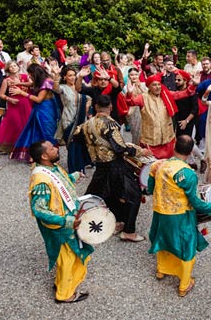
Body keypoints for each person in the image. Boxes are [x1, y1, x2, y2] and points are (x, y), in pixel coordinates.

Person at [146, 135, 211, 297]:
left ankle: (161, 270)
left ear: (174, 147)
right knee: (187, 246)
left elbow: (149, 190)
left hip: (160, 213)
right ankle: (184, 285)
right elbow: (195, 202)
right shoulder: (188, 174)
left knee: (162, 239)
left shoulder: (158, 165)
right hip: (179, 216)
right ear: (190, 152)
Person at [77, 95, 152, 242]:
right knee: (134, 196)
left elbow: (75, 137)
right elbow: (119, 148)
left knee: (108, 194)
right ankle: (129, 231)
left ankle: (117, 223)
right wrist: (139, 151)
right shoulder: (110, 124)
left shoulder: (87, 124)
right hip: (115, 165)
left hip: (100, 165)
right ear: (111, 107)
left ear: (96, 107)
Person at [27, 140, 92, 303]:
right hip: (60, 226)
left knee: (67, 258)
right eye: (51, 148)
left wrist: (74, 176)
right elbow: (39, 210)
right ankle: (64, 295)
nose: (56, 149)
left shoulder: (52, 168)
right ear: (44, 156)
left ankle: (61, 284)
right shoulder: (41, 180)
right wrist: (67, 221)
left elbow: (60, 184)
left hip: (68, 220)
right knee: (69, 258)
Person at [125, 72, 198, 159]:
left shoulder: (166, 95)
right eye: (154, 85)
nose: (158, 87)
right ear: (148, 87)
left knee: (167, 166)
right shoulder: (143, 97)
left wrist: (193, 85)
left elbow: (181, 94)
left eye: (159, 84)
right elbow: (131, 102)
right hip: (151, 140)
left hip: (168, 139)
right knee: (152, 167)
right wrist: (129, 93)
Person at [10, 64, 59, 162]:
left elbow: (39, 99)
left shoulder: (47, 81)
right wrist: (19, 83)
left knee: (46, 131)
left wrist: (21, 93)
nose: (29, 76)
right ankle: (37, 155)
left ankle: (53, 155)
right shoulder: (40, 80)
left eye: (31, 74)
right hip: (38, 109)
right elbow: (32, 84)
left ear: (36, 73)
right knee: (35, 131)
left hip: (46, 109)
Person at [52, 65, 92, 174]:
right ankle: (73, 170)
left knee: (80, 144)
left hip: (81, 119)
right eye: (70, 76)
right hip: (68, 119)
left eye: (74, 75)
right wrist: (56, 75)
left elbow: (89, 98)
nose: (72, 77)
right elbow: (55, 88)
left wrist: (87, 105)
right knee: (72, 144)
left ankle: (81, 168)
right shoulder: (63, 88)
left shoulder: (80, 87)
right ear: (64, 77)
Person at [0, 60, 32, 153]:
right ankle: (16, 147)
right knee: (16, 125)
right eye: (11, 66)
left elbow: (32, 84)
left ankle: (27, 147)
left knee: (27, 124)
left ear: (18, 67)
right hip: (13, 104)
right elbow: (1, 94)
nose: (13, 68)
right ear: (8, 69)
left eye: (15, 65)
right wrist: (10, 99)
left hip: (26, 103)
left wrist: (19, 83)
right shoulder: (6, 80)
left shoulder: (25, 76)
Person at [124, 67, 147, 144]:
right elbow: (126, 100)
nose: (134, 76)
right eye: (131, 75)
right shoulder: (126, 87)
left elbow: (148, 96)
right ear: (129, 76)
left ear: (138, 75)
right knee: (135, 132)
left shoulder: (144, 85)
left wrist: (139, 87)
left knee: (145, 132)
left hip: (144, 110)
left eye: (136, 75)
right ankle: (136, 149)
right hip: (133, 111)